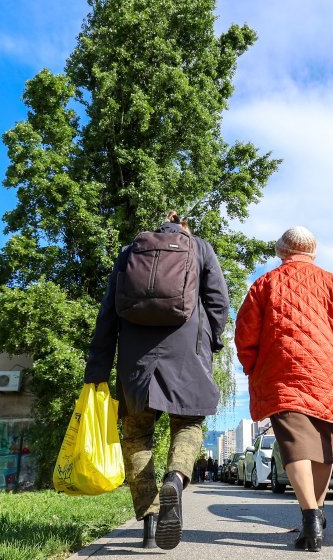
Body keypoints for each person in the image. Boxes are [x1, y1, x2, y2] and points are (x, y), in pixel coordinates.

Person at [84, 211, 229, 550]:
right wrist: (213, 341)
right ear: (184, 228)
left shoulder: (129, 251)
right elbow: (218, 302)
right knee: (189, 424)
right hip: (188, 351)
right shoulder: (200, 248)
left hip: (136, 359)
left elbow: (107, 313)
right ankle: (175, 480)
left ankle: (148, 526)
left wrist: (98, 371)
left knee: (137, 433)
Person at [235, 226, 333, 552]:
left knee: (293, 444)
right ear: (312, 251)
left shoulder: (264, 284)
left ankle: (310, 516)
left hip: (279, 372)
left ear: (282, 251)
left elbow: (245, 333)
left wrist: (251, 365)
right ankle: (317, 513)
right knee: (322, 445)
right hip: (325, 373)